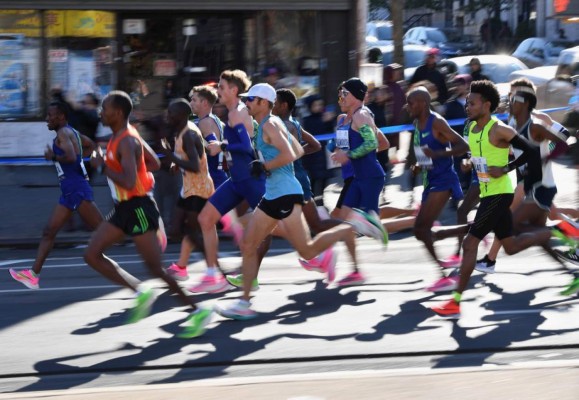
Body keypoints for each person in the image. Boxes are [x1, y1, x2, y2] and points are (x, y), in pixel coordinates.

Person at [214, 83, 386, 319]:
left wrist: (265, 165)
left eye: (251, 99)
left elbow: (290, 154)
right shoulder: (267, 124)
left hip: (285, 193)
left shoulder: (272, 123)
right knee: (248, 244)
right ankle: (244, 303)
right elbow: (297, 148)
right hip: (274, 193)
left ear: (265, 103)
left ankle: (353, 226)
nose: (247, 103)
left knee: (306, 250)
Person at [431, 80, 576, 318]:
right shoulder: (470, 127)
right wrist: (469, 163)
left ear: (487, 105)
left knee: (470, 243)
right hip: (488, 192)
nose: (467, 105)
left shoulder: (500, 129)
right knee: (510, 246)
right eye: (467, 101)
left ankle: (455, 302)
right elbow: (475, 153)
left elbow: (530, 151)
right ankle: (554, 230)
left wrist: (506, 168)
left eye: (473, 102)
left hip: (500, 193)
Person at [84, 91, 212, 338]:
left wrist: (104, 167)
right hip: (124, 207)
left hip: (139, 208)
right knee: (91, 254)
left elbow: (130, 182)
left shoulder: (127, 141)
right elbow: (153, 163)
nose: (101, 111)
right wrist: (141, 174)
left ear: (118, 113)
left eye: (105, 107)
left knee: (157, 270)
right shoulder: (125, 137)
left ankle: (198, 310)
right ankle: (140, 290)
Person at [9, 102, 100, 289]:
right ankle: (33, 275)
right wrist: (83, 164)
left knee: (105, 231)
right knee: (49, 231)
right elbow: (90, 146)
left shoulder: (63, 133)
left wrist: (54, 158)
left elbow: (71, 157)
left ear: (60, 116)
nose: (47, 119)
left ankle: (147, 244)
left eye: (50, 115)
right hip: (69, 190)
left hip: (76, 188)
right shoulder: (72, 132)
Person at [196, 70, 267, 293]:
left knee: (278, 226)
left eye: (222, 86)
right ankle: (211, 275)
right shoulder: (232, 113)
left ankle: (317, 252)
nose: (218, 90)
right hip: (236, 180)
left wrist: (222, 146)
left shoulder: (238, 113)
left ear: (234, 90)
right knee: (206, 219)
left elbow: (246, 148)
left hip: (250, 179)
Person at [406, 86, 469, 292]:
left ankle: (443, 276)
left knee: (420, 229)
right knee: (421, 231)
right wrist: (419, 164)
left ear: (423, 103)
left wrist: (438, 155)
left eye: (411, 103)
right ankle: (473, 230)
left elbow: (463, 146)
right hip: (430, 179)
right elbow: (425, 152)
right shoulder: (418, 122)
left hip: (443, 180)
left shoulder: (437, 122)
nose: (407, 107)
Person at [160, 99, 215, 284]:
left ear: (181, 115)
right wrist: (176, 163)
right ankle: (184, 266)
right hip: (188, 188)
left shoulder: (189, 134)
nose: (167, 116)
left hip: (199, 190)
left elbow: (194, 166)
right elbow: (191, 159)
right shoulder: (182, 130)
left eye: (171, 113)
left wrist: (170, 156)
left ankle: (212, 271)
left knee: (191, 232)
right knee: (177, 230)